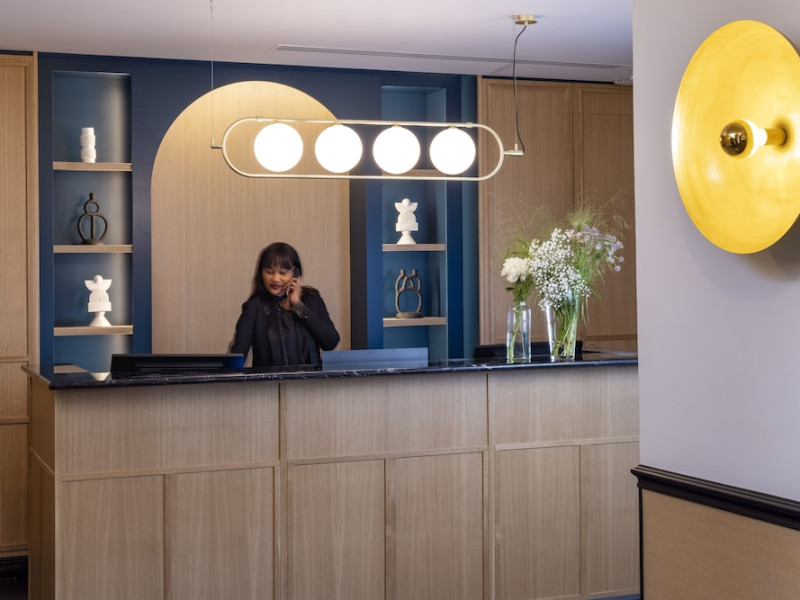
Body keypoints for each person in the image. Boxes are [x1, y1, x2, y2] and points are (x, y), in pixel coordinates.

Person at [231, 242, 340, 367]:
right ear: (261, 273)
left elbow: (330, 343)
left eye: (282, 273)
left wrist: (298, 306)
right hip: (270, 380)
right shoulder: (253, 308)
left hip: (311, 379)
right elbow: (236, 358)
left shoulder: (312, 299)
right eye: (269, 272)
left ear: (296, 273)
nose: (275, 279)